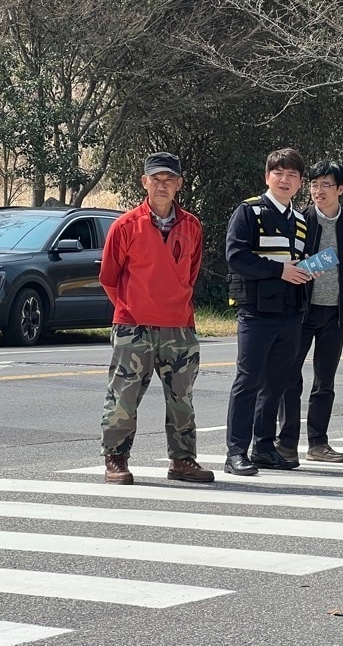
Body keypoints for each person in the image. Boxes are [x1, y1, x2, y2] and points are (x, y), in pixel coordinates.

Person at [99, 152, 213, 485]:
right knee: (123, 394)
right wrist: (130, 310)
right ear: (144, 182)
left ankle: (182, 460)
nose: (162, 186)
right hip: (134, 327)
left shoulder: (191, 226)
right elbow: (109, 277)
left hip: (179, 327)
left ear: (178, 185)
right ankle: (116, 459)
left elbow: (190, 275)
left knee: (182, 396)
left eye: (169, 180)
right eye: (156, 179)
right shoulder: (125, 226)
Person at [223, 148, 314, 476]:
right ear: (267, 177)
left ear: (300, 182)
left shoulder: (301, 220)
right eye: (279, 173)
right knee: (248, 380)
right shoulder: (249, 211)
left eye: (292, 175)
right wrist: (280, 271)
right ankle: (236, 451)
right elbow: (236, 256)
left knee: (276, 382)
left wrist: (307, 270)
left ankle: (263, 447)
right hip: (257, 310)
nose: (285, 179)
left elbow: (297, 261)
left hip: (291, 310)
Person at [277, 161, 343, 464]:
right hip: (301, 310)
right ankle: (286, 443)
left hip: (335, 314)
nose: (318, 191)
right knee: (289, 377)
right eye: (314, 185)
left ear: (340, 189)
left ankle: (318, 443)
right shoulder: (301, 220)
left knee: (324, 381)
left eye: (325, 185)